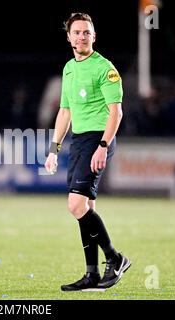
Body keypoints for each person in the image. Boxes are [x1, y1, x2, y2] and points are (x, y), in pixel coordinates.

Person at [44, 12, 130, 291]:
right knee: (86, 208)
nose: (82, 36)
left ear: (94, 36)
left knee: (75, 205)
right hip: (79, 141)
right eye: (77, 32)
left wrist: (103, 146)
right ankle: (92, 274)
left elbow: (116, 113)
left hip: (98, 138)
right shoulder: (69, 68)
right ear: (68, 36)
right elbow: (64, 111)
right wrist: (54, 148)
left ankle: (115, 258)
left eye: (86, 32)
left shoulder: (104, 68)